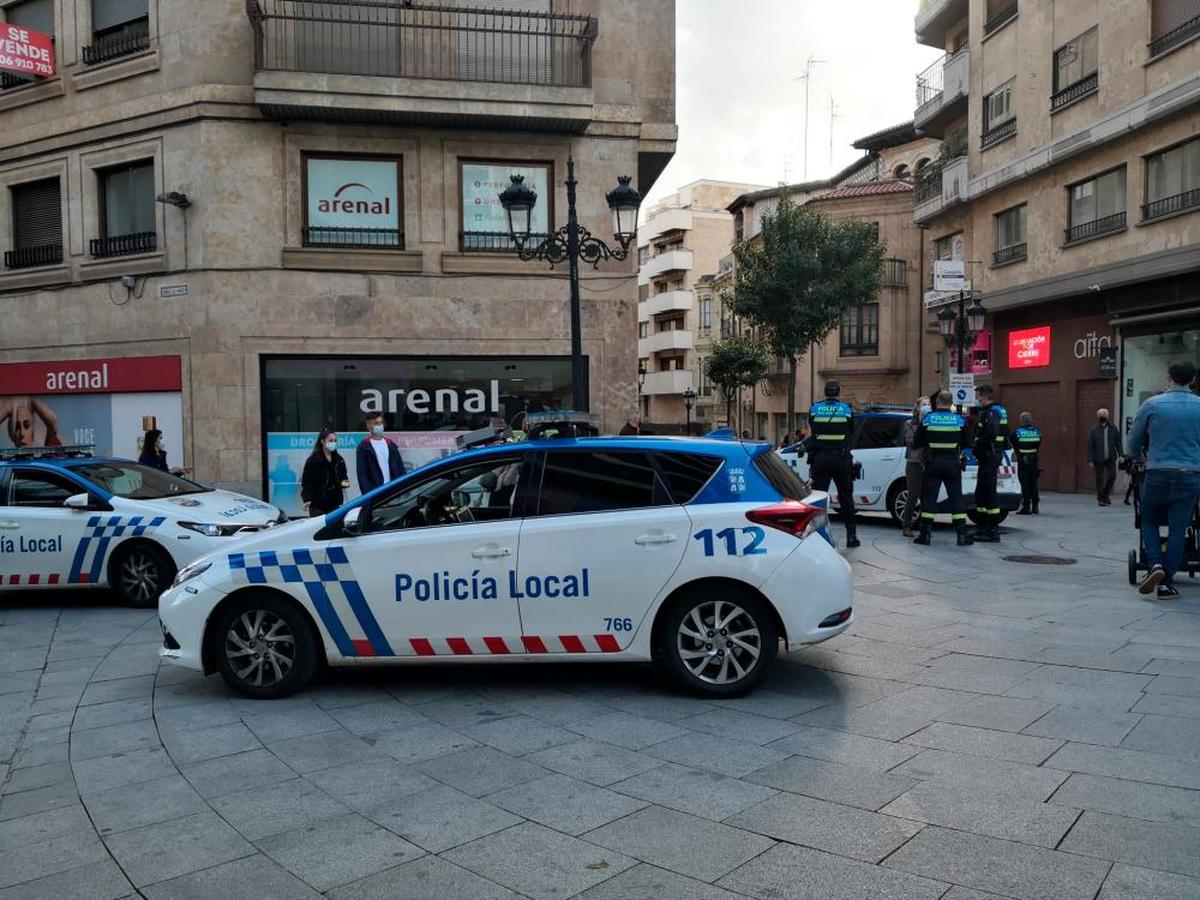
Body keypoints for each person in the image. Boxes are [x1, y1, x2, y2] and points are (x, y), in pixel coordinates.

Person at [1127, 360, 1200, 600]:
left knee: (1148, 520)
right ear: (1192, 380)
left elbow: (1134, 439)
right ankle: (1167, 583)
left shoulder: (1152, 404)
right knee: (1179, 529)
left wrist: (1139, 458)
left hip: (1157, 472)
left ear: (1168, 378)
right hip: (1190, 474)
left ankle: (1155, 564)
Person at [912, 390, 972, 547]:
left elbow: (916, 442)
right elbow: (968, 443)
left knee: (929, 499)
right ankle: (962, 536)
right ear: (951, 403)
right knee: (956, 499)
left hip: (932, 464)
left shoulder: (928, 419)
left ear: (936, 402)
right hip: (953, 464)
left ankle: (925, 535)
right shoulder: (960, 420)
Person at [807, 380, 859, 548]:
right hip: (841, 459)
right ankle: (851, 536)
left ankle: (817, 537)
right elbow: (851, 431)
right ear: (838, 392)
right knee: (846, 498)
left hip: (820, 459)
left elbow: (812, 428)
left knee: (818, 498)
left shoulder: (814, 409)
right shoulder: (847, 410)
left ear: (825, 392)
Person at [971, 384, 1008, 542]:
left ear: (984, 396)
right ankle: (983, 527)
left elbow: (992, 432)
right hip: (991, 455)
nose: (977, 399)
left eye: (978, 396)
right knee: (981, 492)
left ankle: (991, 530)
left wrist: (977, 446)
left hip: (989, 455)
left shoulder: (991, 412)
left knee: (988, 493)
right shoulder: (999, 410)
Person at [301, 428, 350, 517]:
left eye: (335, 440)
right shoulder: (313, 460)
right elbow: (307, 481)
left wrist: (344, 485)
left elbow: (344, 476)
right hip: (318, 502)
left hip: (335, 502)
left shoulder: (339, 459)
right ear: (322, 442)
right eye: (331, 440)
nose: (333, 443)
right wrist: (307, 499)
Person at [901, 397, 930, 537]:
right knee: (913, 495)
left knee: (927, 496)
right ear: (917, 407)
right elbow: (911, 442)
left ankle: (925, 527)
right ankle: (907, 525)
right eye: (924, 404)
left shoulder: (932, 421)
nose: (927, 407)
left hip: (929, 462)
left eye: (929, 404)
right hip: (914, 462)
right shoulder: (910, 423)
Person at [356, 413, 403, 494]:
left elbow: (400, 468)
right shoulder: (364, 447)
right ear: (368, 426)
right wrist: (368, 494)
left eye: (381, 423)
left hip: (393, 491)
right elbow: (362, 474)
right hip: (375, 493)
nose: (380, 425)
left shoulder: (390, 444)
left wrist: (402, 488)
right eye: (376, 423)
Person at [1087, 408, 1123, 506]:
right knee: (1099, 479)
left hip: (1110, 457)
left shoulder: (1113, 428)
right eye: (1100, 415)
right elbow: (1090, 445)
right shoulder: (1094, 429)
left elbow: (1118, 443)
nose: (1102, 416)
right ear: (1098, 417)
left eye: (1104, 414)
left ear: (1107, 417)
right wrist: (1090, 459)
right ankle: (1101, 499)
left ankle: (1105, 494)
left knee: (1112, 476)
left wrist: (1121, 455)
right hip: (1098, 457)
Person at [1011, 411, 1042, 515]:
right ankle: (1035, 506)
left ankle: (1026, 506)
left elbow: (1013, 445)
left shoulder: (1016, 432)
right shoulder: (1037, 432)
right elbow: (1038, 445)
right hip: (1034, 460)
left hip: (1023, 461)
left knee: (1024, 484)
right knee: (1033, 483)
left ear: (1021, 421)